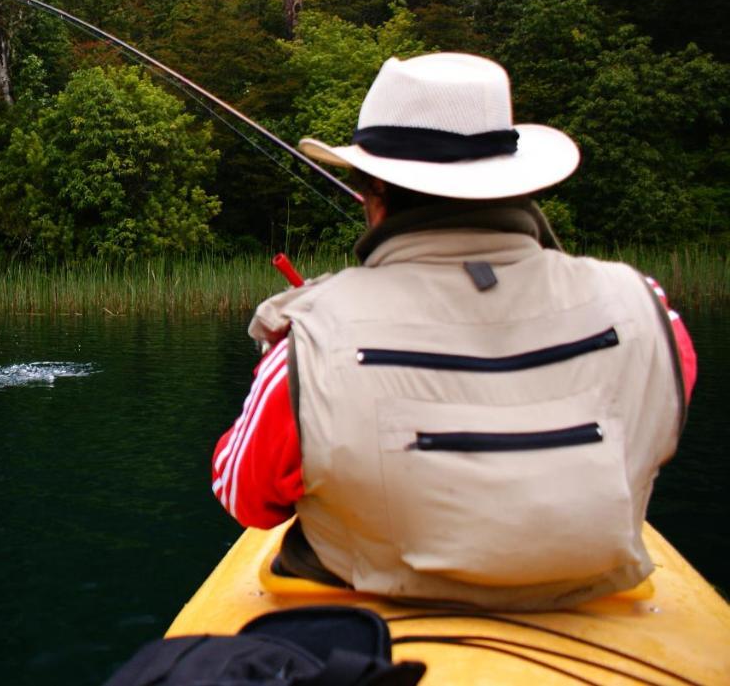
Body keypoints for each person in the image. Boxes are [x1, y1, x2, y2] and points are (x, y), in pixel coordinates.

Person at [211, 53, 697, 611]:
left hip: (367, 597)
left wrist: (289, 374)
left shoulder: (311, 336)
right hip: (593, 594)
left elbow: (243, 496)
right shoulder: (647, 306)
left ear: (374, 193)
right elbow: (663, 420)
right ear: (516, 183)